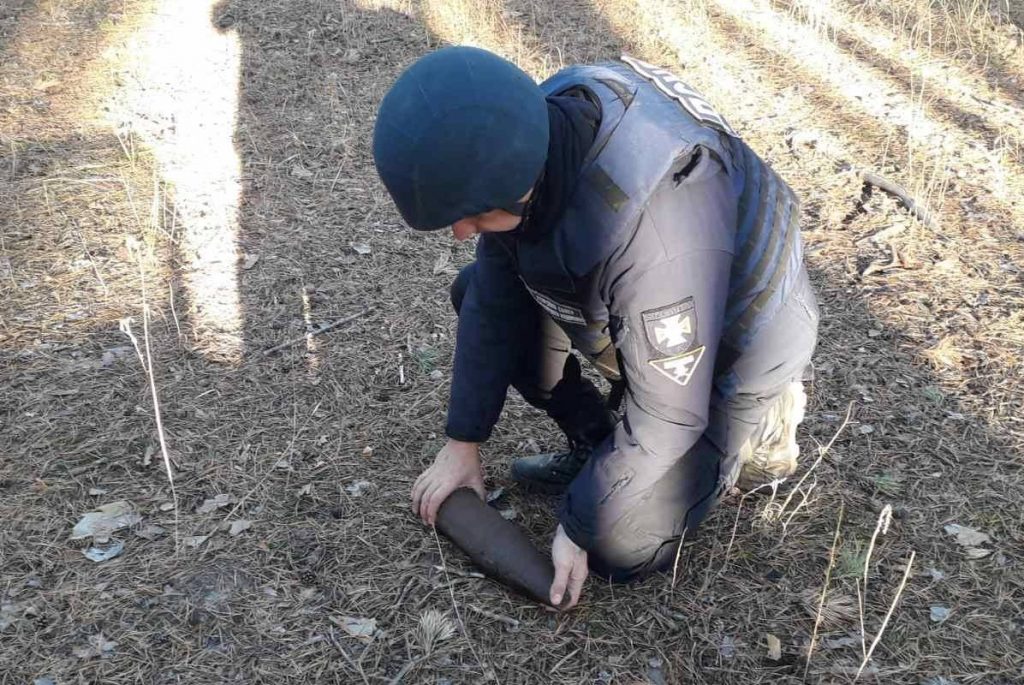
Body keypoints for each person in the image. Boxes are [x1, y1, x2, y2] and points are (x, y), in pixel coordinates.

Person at [372, 46, 819, 609]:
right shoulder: (530, 134)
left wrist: (583, 522)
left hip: (735, 348)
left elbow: (671, 413)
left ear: (516, 182)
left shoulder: (658, 221)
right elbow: (492, 296)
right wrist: (463, 442)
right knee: (478, 292)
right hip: (642, 308)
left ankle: (759, 426)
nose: (462, 232)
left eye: (474, 215)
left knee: (619, 547)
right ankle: (598, 443)